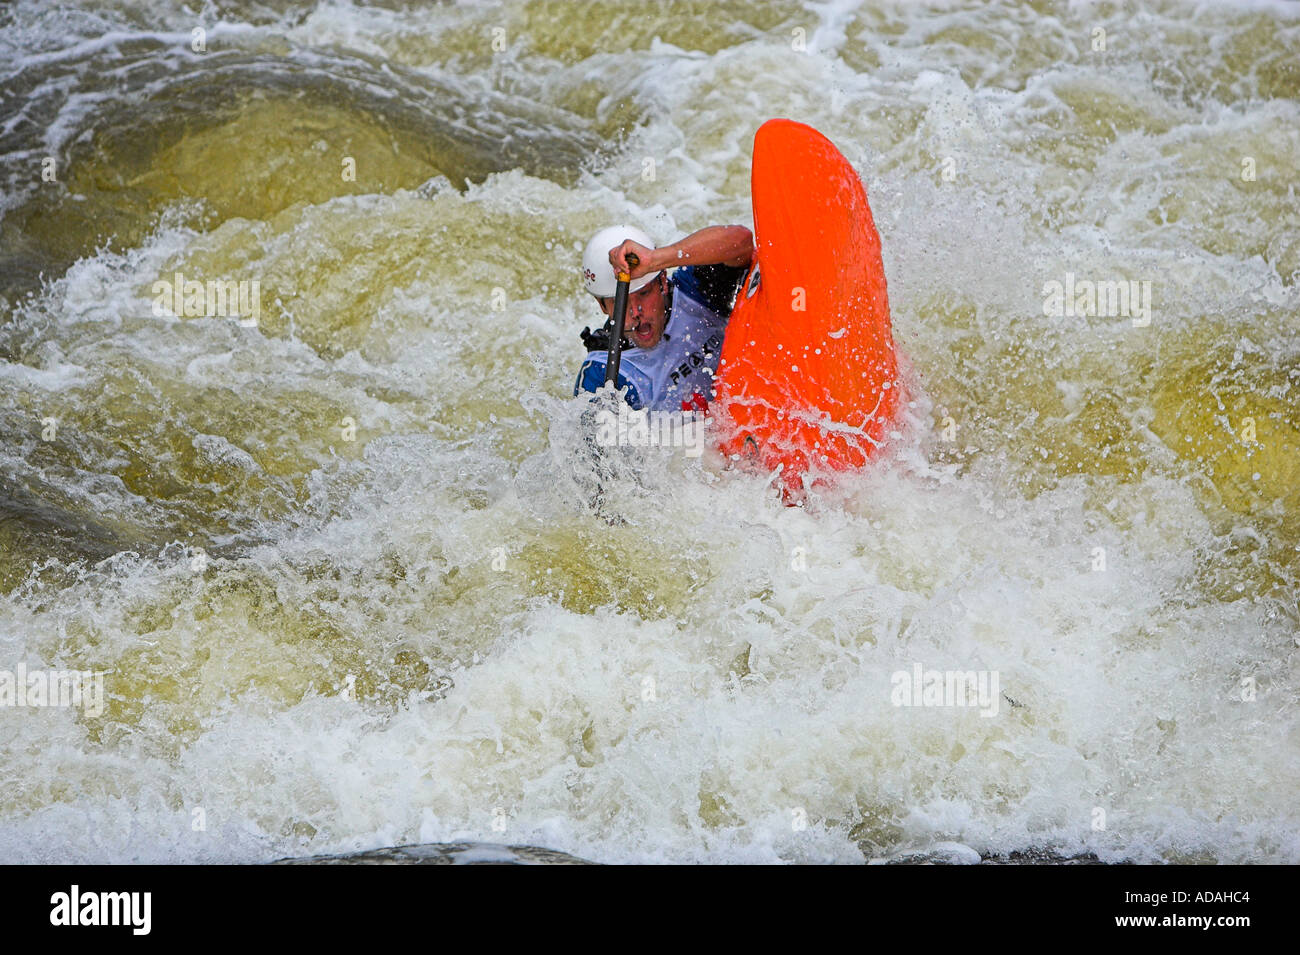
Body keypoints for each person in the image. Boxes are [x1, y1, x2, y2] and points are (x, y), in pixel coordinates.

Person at [574, 224, 754, 412]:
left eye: (644, 293)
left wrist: (655, 260)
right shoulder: (600, 375)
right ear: (602, 306)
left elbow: (741, 241)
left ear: (662, 281)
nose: (635, 312)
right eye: (620, 303)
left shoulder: (694, 291)